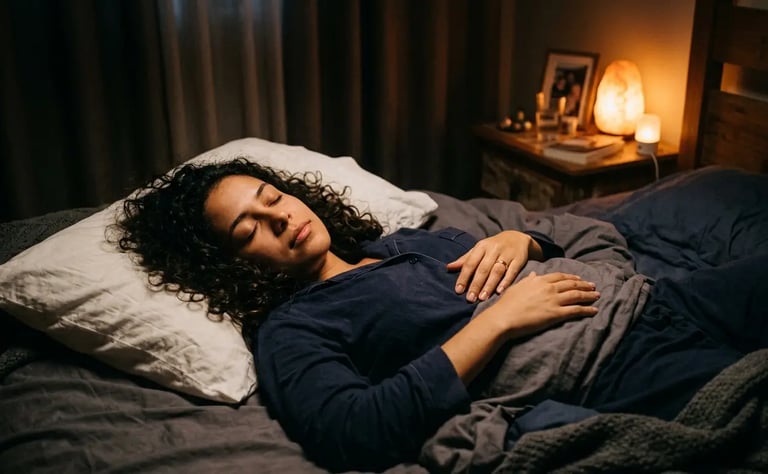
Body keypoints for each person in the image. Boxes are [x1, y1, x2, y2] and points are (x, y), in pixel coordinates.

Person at [113, 158, 767, 472]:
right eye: (247, 228)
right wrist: (496, 323)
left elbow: (600, 238)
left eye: (271, 196)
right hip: (618, 366)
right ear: (231, 265)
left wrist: (528, 240)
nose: (279, 215)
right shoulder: (293, 330)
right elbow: (349, 429)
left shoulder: (407, 243)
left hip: (661, 299)